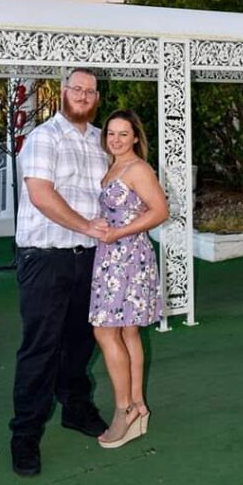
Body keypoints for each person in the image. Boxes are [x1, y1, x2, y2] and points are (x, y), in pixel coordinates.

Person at [9, 68, 110, 477]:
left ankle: (76, 408)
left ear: (96, 98)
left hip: (89, 257)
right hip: (45, 256)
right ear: (63, 93)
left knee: (82, 340)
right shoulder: (43, 137)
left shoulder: (103, 140)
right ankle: (25, 435)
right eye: (77, 88)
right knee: (41, 346)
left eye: (90, 91)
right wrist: (87, 225)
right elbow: (40, 195)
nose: (83, 96)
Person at [89, 109, 168, 449]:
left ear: (136, 137)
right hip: (111, 255)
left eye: (124, 134)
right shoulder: (113, 167)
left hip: (128, 257)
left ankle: (124, 409)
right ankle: (137, 405)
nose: (117, 139)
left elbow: (160, 211)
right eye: (111, 133)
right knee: (128, 331)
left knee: (105, 331)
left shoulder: (138, 168)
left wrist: (119, 231)